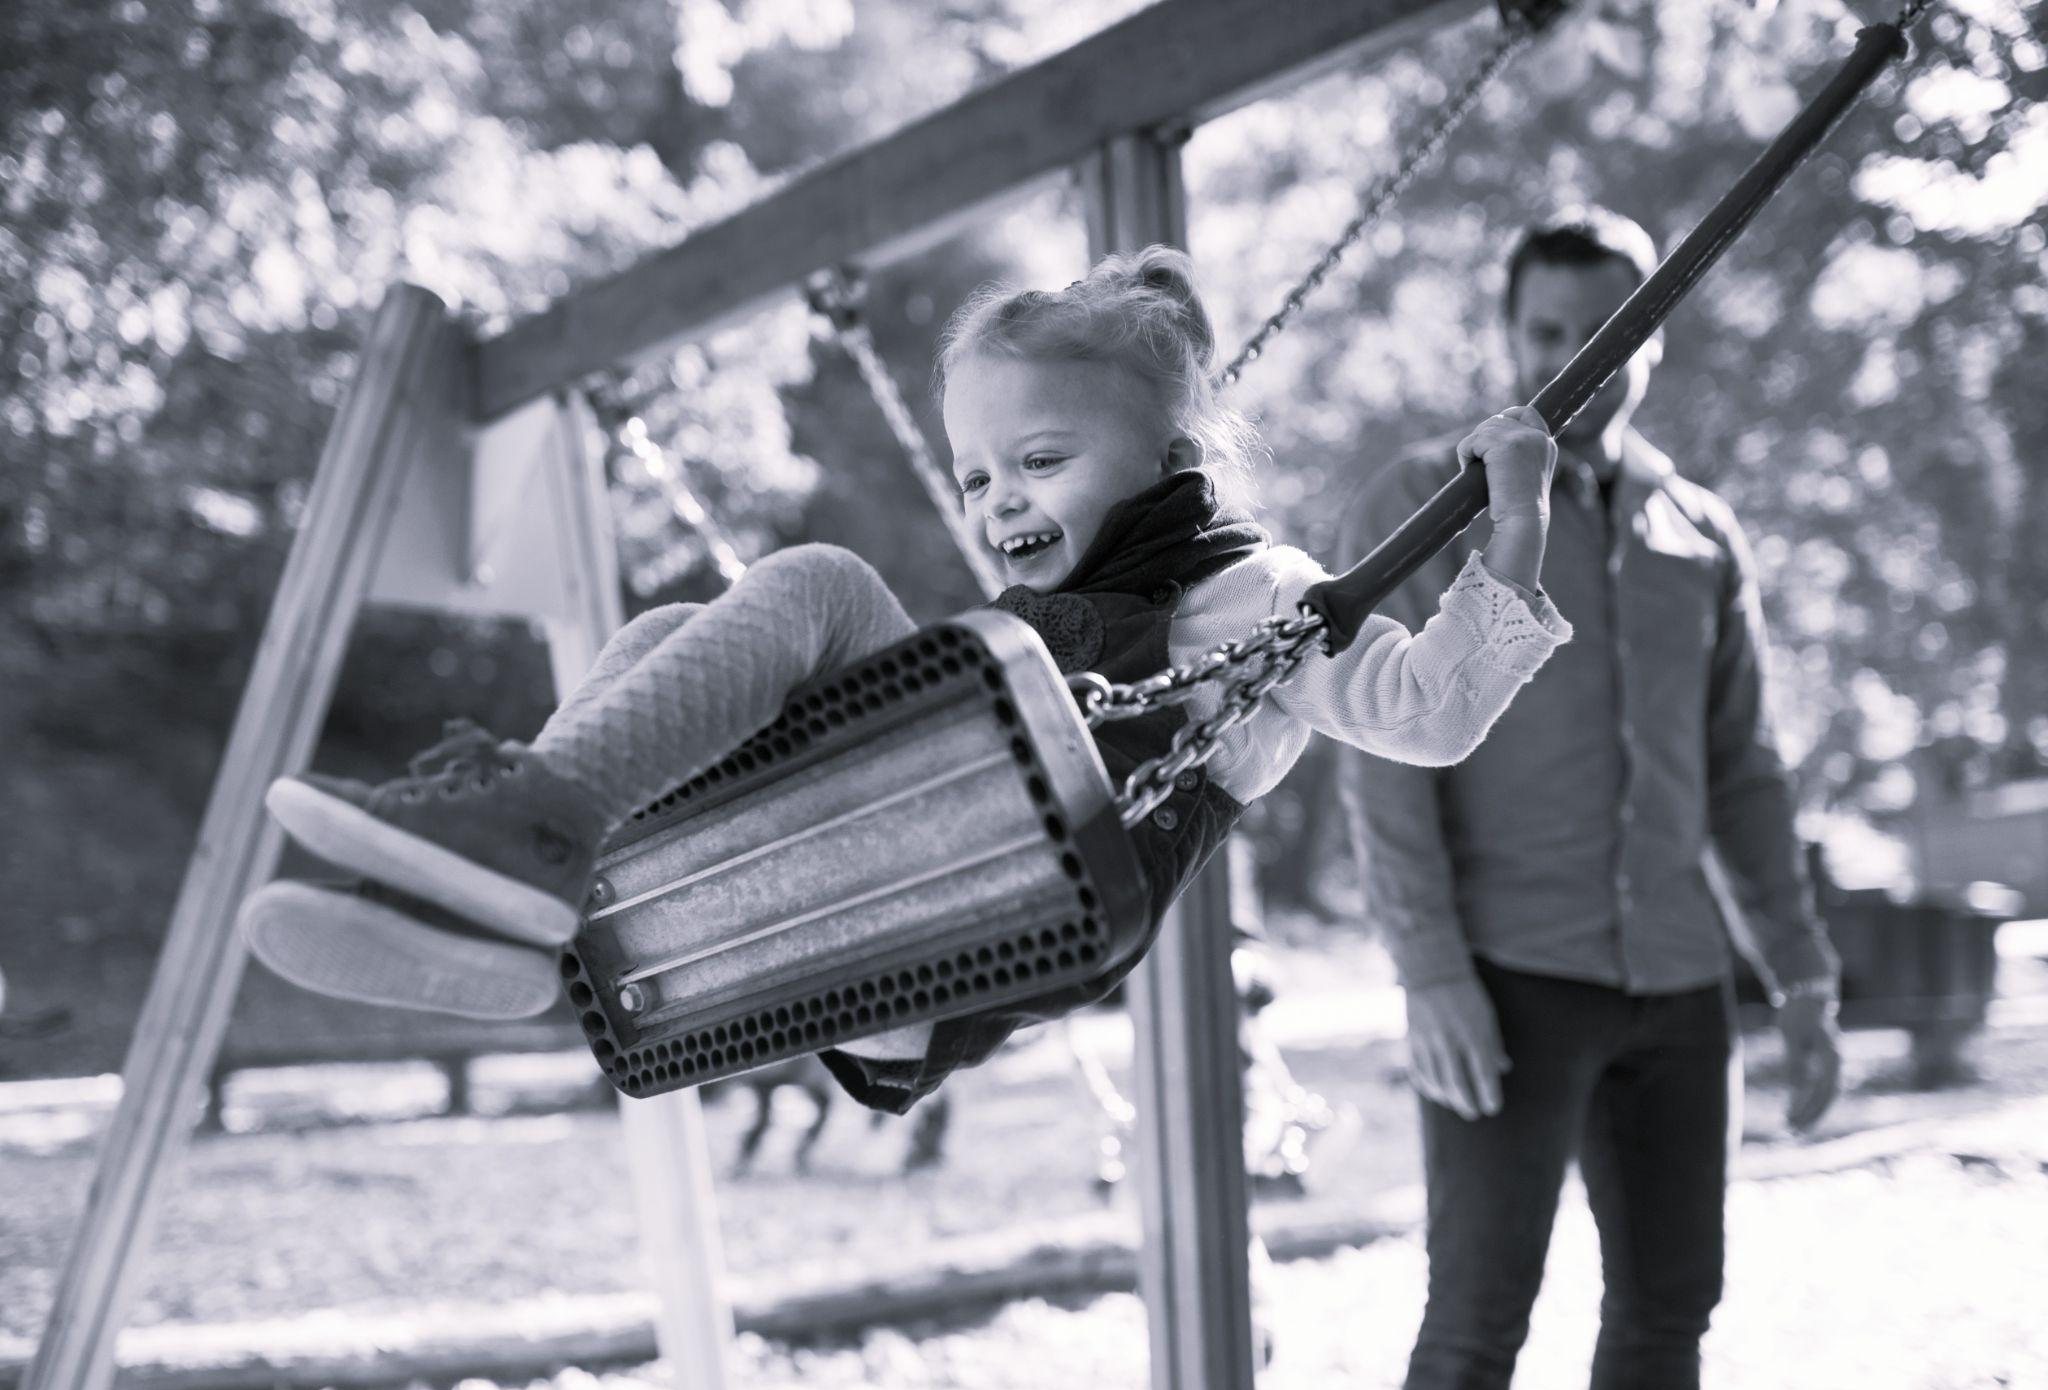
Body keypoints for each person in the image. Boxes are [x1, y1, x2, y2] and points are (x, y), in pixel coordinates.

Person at [240, 244, 1573, 1112]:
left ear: (1173, 455)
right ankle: (520, 913)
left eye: (1041, 461)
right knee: (657, 644)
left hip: (1009, 899)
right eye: (979, 477)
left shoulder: (1250, 592)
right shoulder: (1058, 604)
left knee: (818, 585)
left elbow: (1432, 712)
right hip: (893, 912)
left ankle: (530, 833)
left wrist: (1515, 517)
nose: (1002, 505)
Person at [1337, 206, 1845, 1390]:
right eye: (1544, 332)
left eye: (1603, 331)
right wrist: (1431, 973)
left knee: (1669, 1309)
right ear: (1509, 335)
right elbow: (1380, 764)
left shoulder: (1701, 533)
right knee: (1473, 1319)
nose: (1571, 359)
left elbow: (1741, 771)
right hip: (1507, 985)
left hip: (1677, 984)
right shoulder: (1418, 504)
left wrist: (1800, 972)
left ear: (1651, 338)